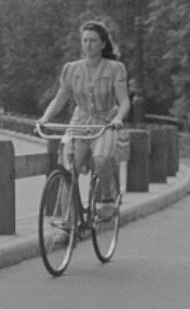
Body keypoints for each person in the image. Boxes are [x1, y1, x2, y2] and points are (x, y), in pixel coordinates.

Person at [36, 21, 131, 217]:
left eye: (93, 41)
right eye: (85, 40)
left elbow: (124, 101)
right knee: (70, 170)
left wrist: (118, 118)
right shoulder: (72, 69)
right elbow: (60, 98)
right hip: (80, 122)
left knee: (101, 159)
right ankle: (68, 224)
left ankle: (107, 198)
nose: (88, 45)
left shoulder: (115, 68)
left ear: (103, 44)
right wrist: (44, 118)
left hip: (105, 122)